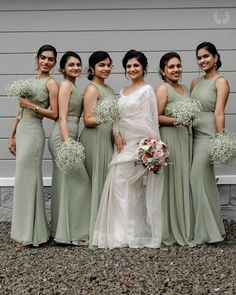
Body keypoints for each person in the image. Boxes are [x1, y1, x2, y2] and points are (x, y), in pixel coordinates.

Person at [92, 49, 164, 249]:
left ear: (144, 68)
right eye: (129, 66)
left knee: (132, 189)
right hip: (122, 144)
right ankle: (117, 233)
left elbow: (150, 120)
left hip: (137, 144)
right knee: (117, 185)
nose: (132, 69)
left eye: (136, 66)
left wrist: (148, 148)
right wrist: (116, 133)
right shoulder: (122, 91)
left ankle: (132, 233)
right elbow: (117, 116)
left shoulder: (147, 90)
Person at [8, 44, 58, 247]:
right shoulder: (28, 82)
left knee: (30, 179)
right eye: (43, 58)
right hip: (22, 130)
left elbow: (54, 113)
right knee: (22, 179)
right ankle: (24, 230)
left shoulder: (52, 84)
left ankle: (31, 234)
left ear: (54, 63)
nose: (46, 62)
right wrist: (11, 137)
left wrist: (31, 106)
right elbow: (19, 113)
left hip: (35, 131)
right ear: (36, 59)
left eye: (51, 59)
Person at [48, 51, 91, 245]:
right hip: (63, 136)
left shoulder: (73, 86)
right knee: (80, 181)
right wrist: (67, 143)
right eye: (71, 64)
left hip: (72, 135)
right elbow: (62, 116)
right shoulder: (65, 85)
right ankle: (72, 233)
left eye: (78, 64)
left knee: (67, 184)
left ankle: (65, 232)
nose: (75, 67)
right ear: (63, 68)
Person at [190, 42, 230, 244]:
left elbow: (219, 112)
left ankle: (208, 232)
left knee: (195, 177)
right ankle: (213, 228)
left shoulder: (221, 81)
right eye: (199, 57)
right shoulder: (194, 83)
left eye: (206, 56)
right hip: (192, 136)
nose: (202, 60)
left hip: (208, 136)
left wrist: (220, 138)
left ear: (215, 57)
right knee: (205, 181)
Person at [155, 52, 194, 246]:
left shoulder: (186, 89)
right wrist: (178, 121)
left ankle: (185, 224)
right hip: (170, 138)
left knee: (184, 180)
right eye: (171, 67)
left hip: (185, 139)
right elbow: (156, 116)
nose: (176, 69)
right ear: (163, 70)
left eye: (178, 66)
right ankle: (169, 229)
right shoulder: (163, 89)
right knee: (171, 182)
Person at [79, 51, 116, 244]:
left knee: (105, 182)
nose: (107, 68)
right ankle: (93, 229)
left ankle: (104, 228)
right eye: (102, 65)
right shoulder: (92, 89)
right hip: (94, 139)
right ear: (92, 68)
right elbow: (88, 120)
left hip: (106, 139)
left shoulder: (108, 88)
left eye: (109, 65)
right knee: (97, 181)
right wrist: (108, 116)